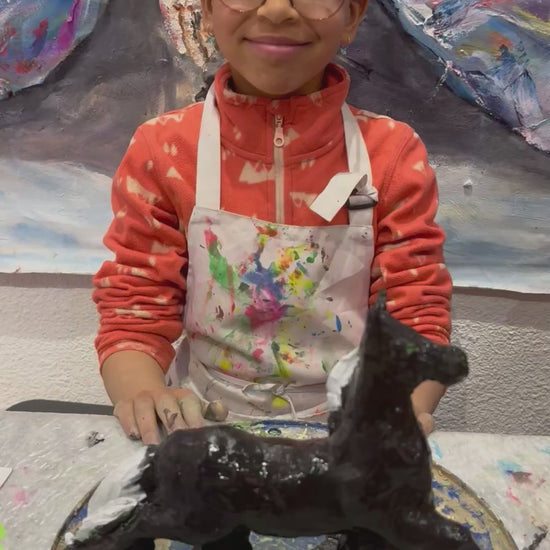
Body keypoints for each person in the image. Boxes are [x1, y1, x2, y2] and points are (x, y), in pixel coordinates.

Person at [93, 0, 452, 445]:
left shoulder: (391, 154)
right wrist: (144, 394)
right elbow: (135, 315)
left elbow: (416, 316)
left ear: (353, 17)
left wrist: (400, 407)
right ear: (207, 11)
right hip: (200, 427)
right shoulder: (164, 150)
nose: (278, 10)